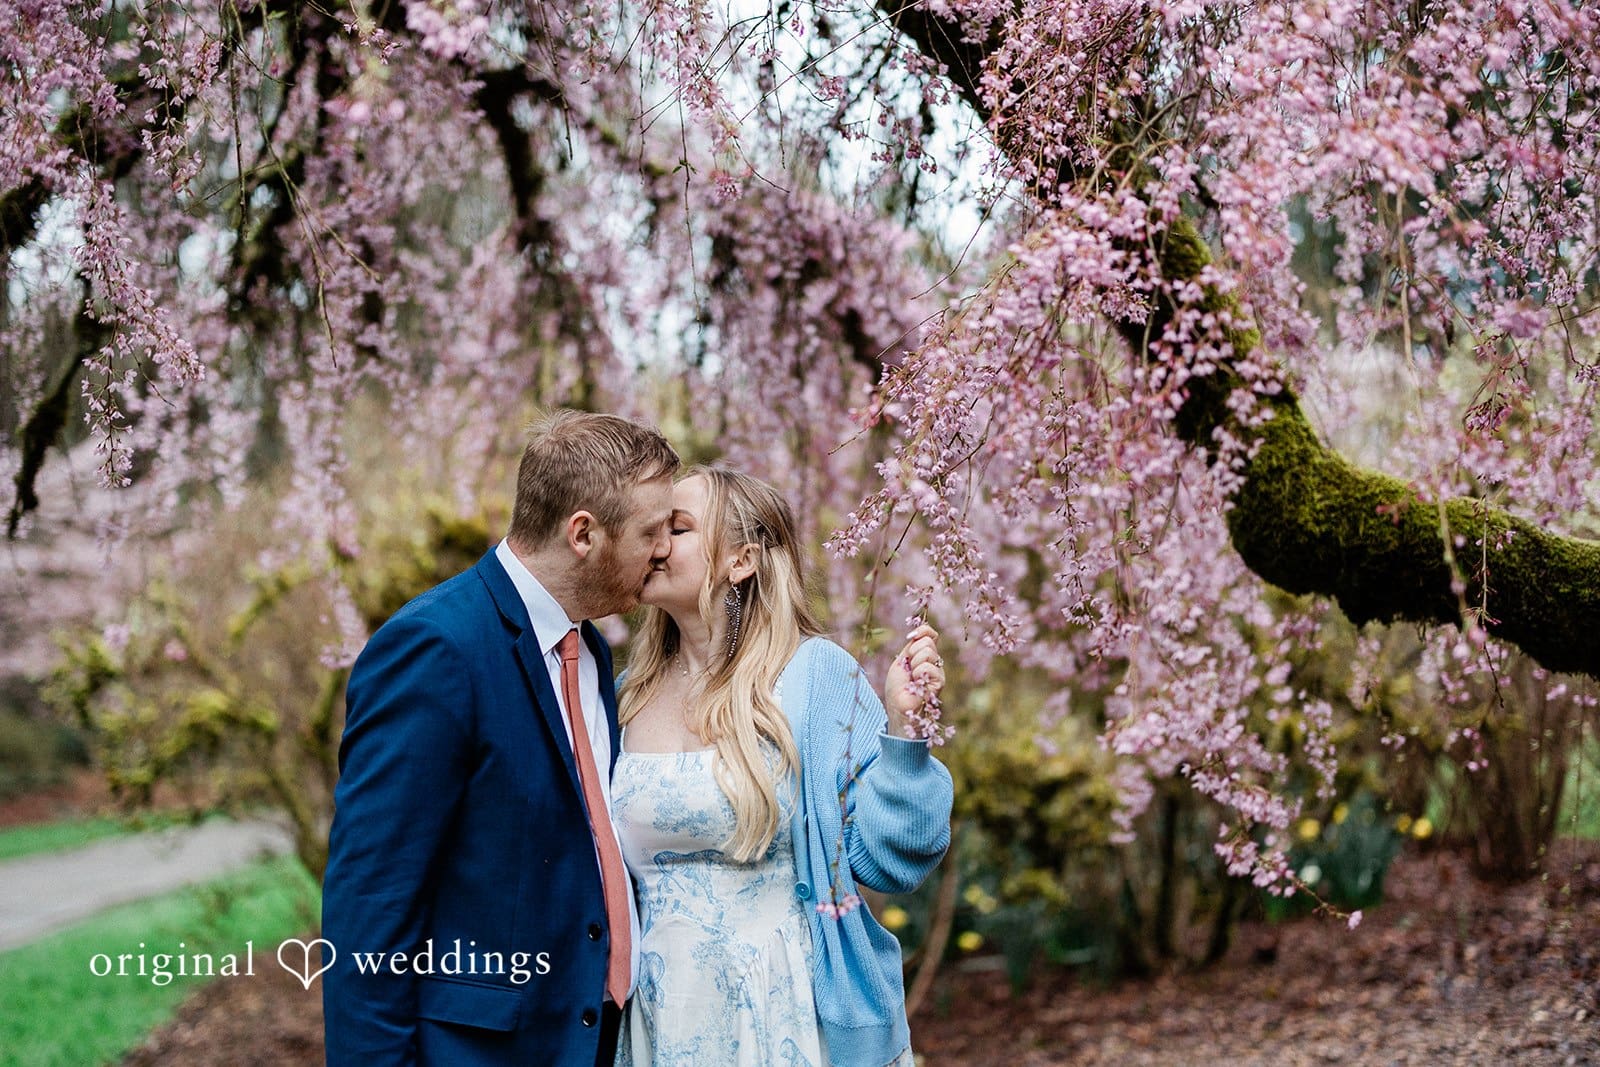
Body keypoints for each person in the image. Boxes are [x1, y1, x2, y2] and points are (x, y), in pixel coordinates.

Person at [321, 410, 680, 1066]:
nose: (664, 549)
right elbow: (370, 900)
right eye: (651, 531)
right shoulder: (436, 648)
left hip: (593, 1041)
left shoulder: (591, 652)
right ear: (583, 534)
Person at [612, 465, 953, 1067]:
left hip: (785, 1007)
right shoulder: (624, 695)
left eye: (678, 528)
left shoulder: (813, 677)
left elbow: (888, 860)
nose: (655, 543)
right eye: (653, 527)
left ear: (740, 560)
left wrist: (904, 734)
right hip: (662, 1012)